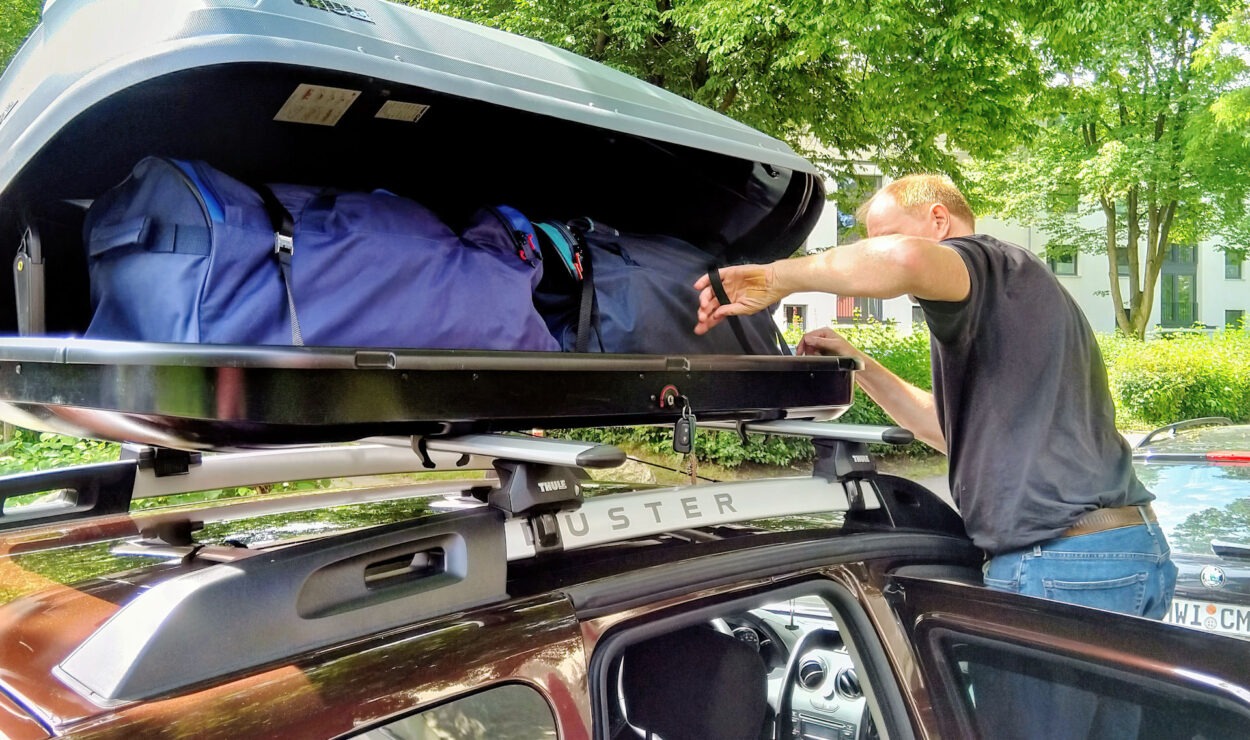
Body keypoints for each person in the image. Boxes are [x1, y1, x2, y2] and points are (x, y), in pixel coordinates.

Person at [693, 174, 1176, 620]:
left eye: (881, 237)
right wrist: (859, 365)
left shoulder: (986, 261)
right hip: (1108, 553)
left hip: (1063, 562)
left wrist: (774, 278)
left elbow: (906, 259)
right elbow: (945, 432)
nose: (870, 252)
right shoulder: (1004, 299)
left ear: (938, 220)